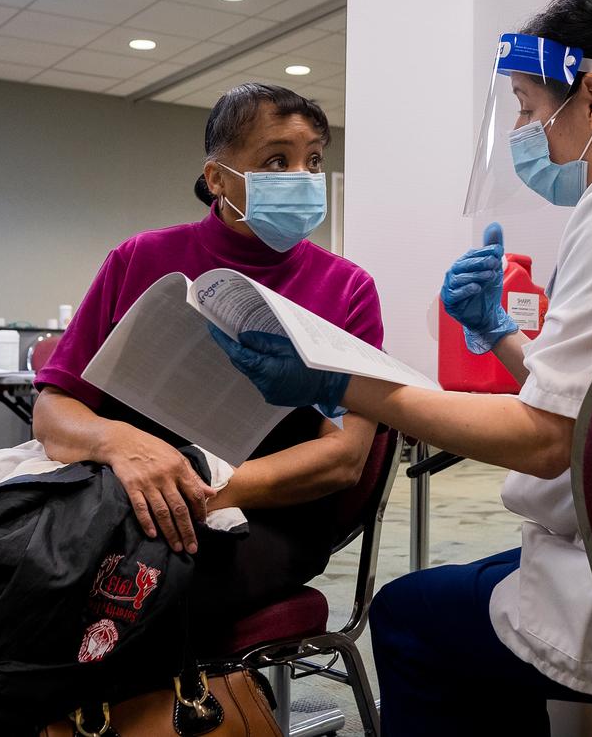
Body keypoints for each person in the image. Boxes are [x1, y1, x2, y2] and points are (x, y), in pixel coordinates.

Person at [211, 0, 592, 734]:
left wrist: (342, 383)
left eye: (529, 108)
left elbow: (544, 439)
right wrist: (501, 335)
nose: (526, 131)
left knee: (408, 617)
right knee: (486, 580)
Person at [33, 83, 384, 618]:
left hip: (265, 512)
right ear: (217, 178)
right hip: (129, 486)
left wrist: (199, 493)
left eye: (312, 162)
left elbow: (343, 457)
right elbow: (54, 410)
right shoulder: (140, 259)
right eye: (276, 160)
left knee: (126, 601)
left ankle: (193, 705)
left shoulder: (347, 289)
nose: (302, 178)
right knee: (4, 571)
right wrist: (122, 445)